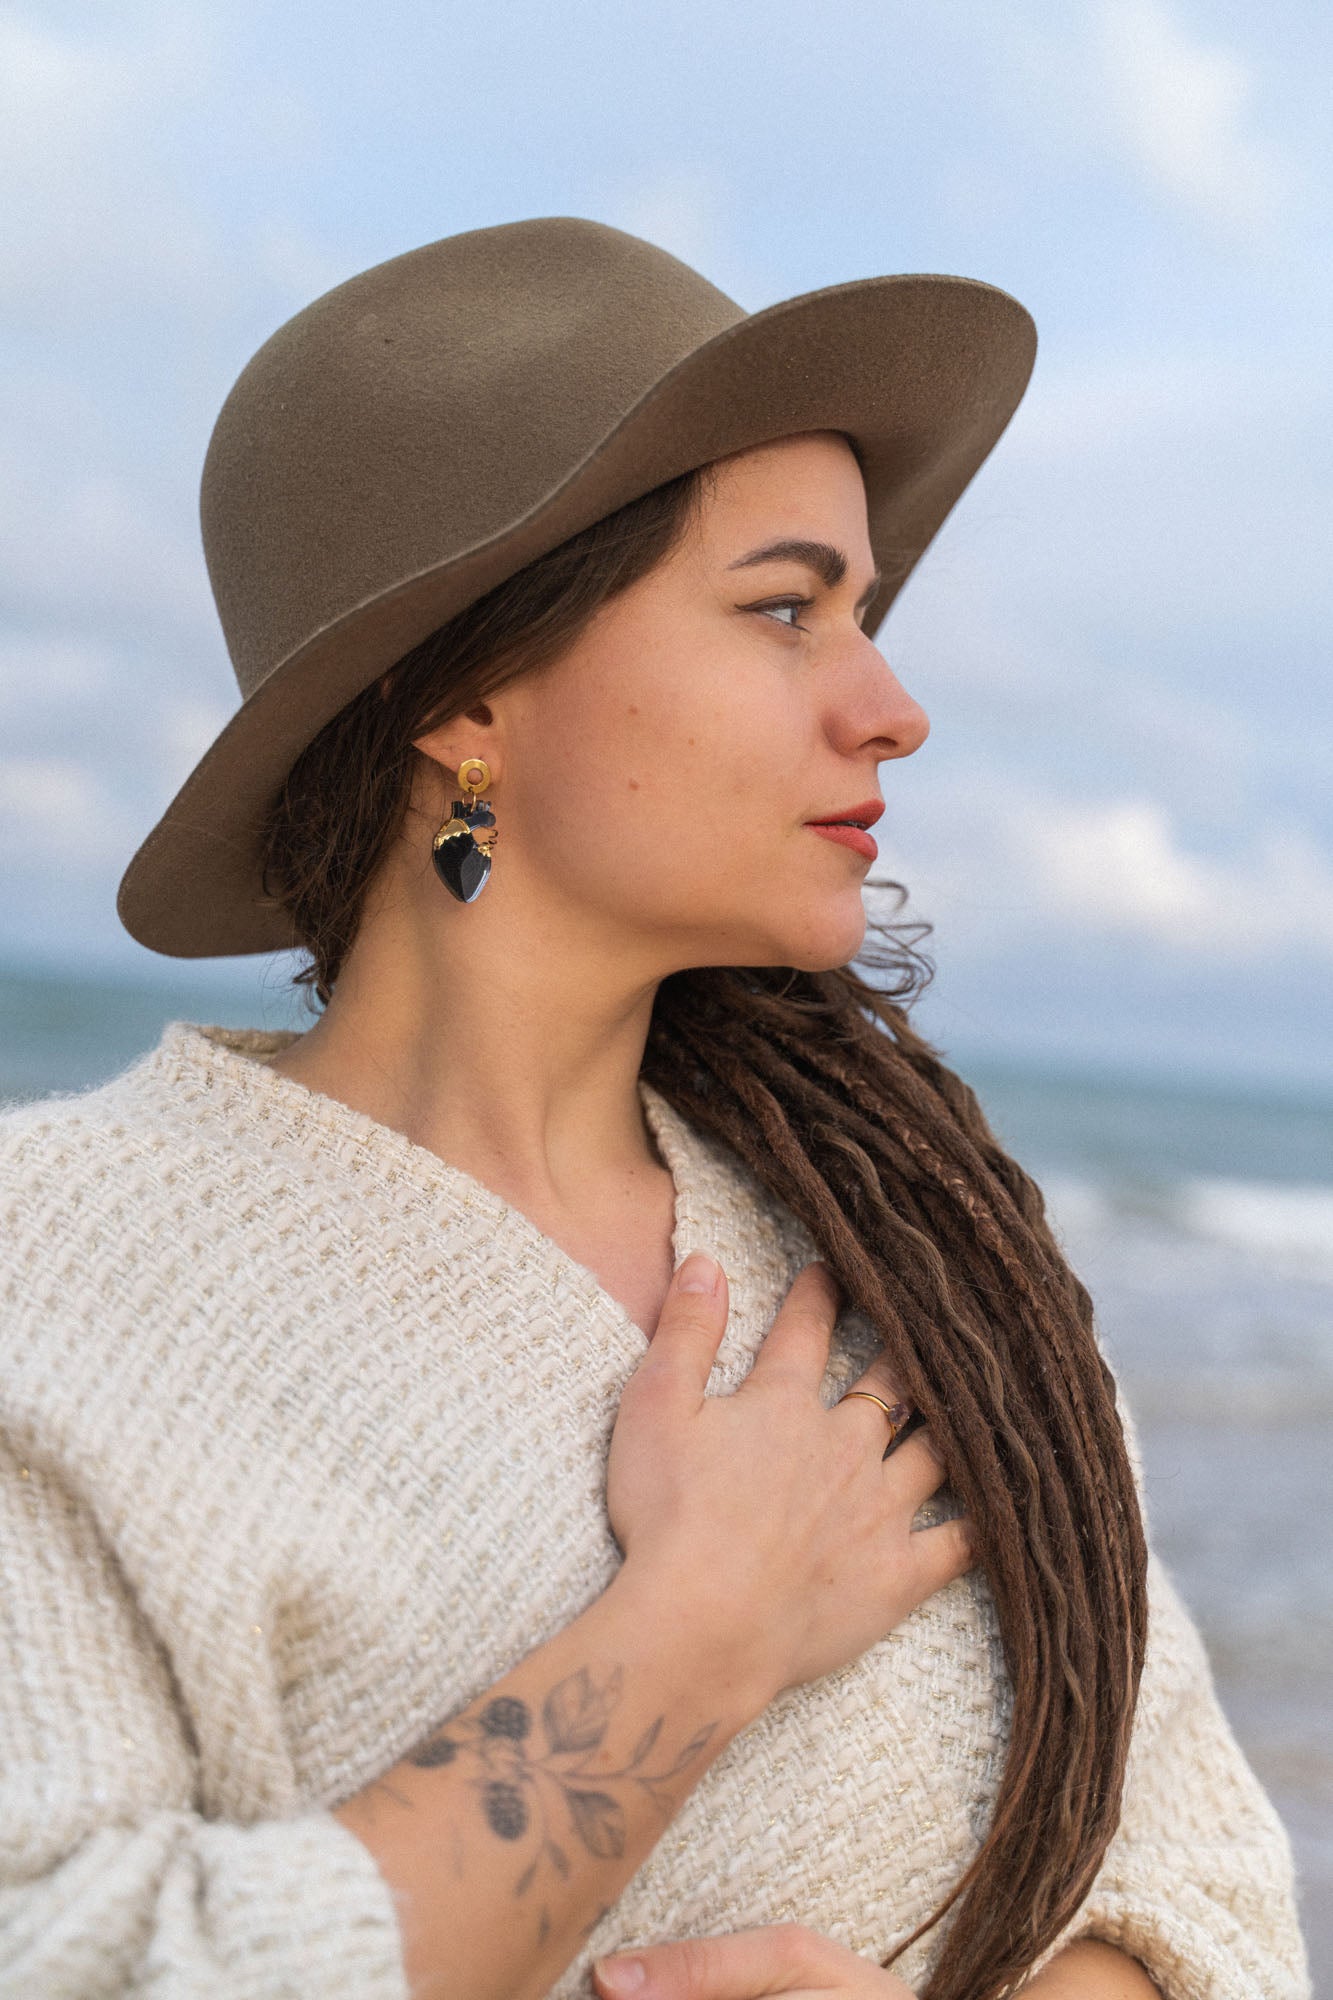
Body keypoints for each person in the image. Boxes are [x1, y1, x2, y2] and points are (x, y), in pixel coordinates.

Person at [0, 218, 1309, 2000]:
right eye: (783, 609)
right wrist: (700, 1629)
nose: (893, 709)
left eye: (862, 612)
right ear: (463, 695)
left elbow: (1201, 1892)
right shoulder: (53, 1276)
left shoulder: (914, 1247)